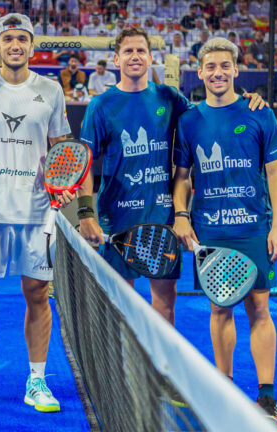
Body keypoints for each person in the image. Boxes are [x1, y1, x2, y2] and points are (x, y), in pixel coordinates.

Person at [77, 28, 265, 328]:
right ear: (116, 60)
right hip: (117, 218)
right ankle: (122, 359)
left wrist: (243, 100)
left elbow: (208, 115)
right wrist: (86, 213)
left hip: (162, 219)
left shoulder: (169, 97)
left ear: (151, 57)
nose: (135, 56)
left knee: (165, 303)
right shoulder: (100, 106)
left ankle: (158, 360)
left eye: (141, 50)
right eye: (128, 51)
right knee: (118, 303)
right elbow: (84, 164)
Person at [0, 13, 73, 417]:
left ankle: (37, 380)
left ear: (32, 46)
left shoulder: (50, 90)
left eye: (22, 39)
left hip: (37, 210)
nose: (15, 45)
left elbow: (61, 149)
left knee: (38, 293)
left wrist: (63, 185)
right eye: (8, 39)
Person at [171, 37, 277, 427]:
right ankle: (224, 390)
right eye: (210, 66)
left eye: (225, 66)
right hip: (210, 230)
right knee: (219, 308)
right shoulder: (188, 120)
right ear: (200, 72)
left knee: (259, 308)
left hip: (253, 228)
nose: (218, 72)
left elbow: (275, 172)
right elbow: (182, 176)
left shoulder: (260, 113)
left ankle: (266, 397)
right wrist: (181, 214)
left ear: (236, 70)